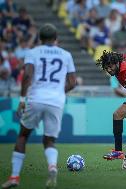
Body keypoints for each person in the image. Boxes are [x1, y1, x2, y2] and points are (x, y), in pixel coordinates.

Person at [1, 23, 77, 189]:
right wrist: (58, 91)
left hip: (36, 99)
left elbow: (27, 75)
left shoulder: (33, 52)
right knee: (49, 140)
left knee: (23, 136)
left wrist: (22, 99)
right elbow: (73, 82)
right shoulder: (66, 54)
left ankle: (14, 177)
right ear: (56, 38)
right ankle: (52, 166)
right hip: (56, 101)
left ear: (40, 38)